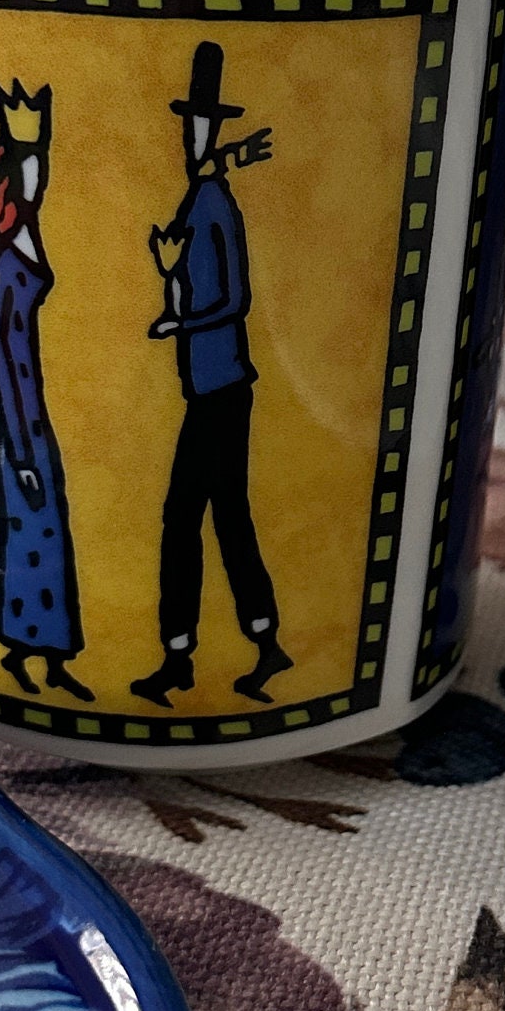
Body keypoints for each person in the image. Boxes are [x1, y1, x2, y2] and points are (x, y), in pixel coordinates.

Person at [133, 42, 290, 705]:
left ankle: (217, 651)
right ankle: (234, 648)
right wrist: (170, 278)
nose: (192, 139)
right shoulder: (195, 199)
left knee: (201, 515)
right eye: (189, 128)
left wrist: (181, 322)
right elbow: (191, 286)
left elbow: (234, 299)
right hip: (204, 383)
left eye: (202, 128)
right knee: (210, 514)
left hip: (223, 384)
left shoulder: (215, 202)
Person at [0, 77, 90, 700]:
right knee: (28, 531)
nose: (41, 183)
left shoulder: (24, 243)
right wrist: (20, 449)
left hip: (35, 422)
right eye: (33, 172)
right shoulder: (3, 269)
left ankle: (52, 658)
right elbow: (5, 364)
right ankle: (19, 653)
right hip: (20, 427)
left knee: (48, 532)